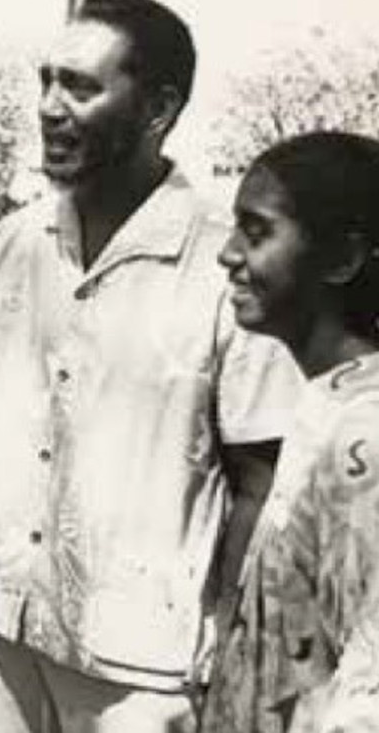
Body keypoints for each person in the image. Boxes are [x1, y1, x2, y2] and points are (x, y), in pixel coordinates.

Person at [0, 0, 300, 732]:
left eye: (81, 87)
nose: (51, 107)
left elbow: (259, 482)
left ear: (158, 109)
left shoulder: (226, 263)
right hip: (6, 626)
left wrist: (231, 649)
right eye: (46, 81)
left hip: (145, 666)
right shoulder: (17, 240)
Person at [203, 131, 379, 733]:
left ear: (342, 259)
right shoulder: (326, 404)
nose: (227, 253)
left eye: (256, 232)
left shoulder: (364, 436)